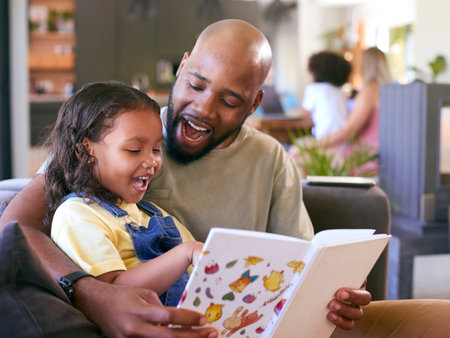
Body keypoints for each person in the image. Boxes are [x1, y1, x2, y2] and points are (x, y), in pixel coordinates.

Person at [0, 19, 371, 335]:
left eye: (229, 102)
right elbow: (16, 229)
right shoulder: (114, 133)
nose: (203, 109)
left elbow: (301, 267)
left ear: (255, 103)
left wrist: (334, 291)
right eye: (196, 85)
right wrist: (93, 295)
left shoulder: (270, 159)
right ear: (182, 66)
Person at [45, 81, 203, 307]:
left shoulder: (154, 215)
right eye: (134, 150)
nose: (152, 161)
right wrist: (186, 253)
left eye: (156, 149)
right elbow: (111, 292)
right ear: (85, 150)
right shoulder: (77, 216)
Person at [317, 47, 392, 151]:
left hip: (365, 154)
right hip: (385, 150)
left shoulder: (369, 91)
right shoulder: (392, 90)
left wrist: (315, 144)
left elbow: (347, 132)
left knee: (298, 153)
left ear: (364, 65)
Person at [299, 50, 352, 140]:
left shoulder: (314, 89)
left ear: (316, 74)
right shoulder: (342, 93)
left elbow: (303, 115)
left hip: (324, 142)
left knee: (292, 147)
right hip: (343, 141)